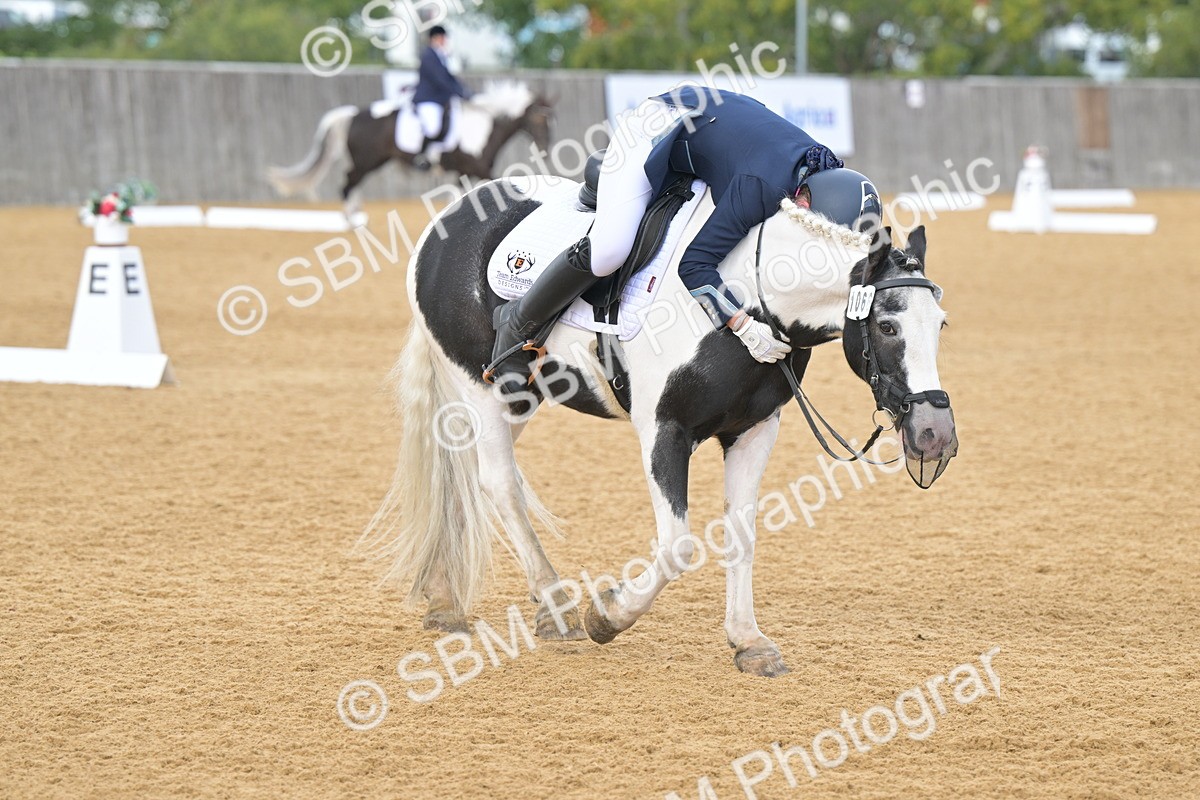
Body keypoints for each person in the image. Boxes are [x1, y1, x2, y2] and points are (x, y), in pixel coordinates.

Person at [487, 86, 883, 388]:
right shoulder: (759, 189)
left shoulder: (822, 168)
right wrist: (742, 324)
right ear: (805, 202)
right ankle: (516, 323)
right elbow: (694, 265)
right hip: (656, 125)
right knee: (610, 250)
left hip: (712, 118)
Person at [412, 25, 471, 170]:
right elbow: (440, 80)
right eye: (442, 38)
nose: (444, 41)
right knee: (433, 127)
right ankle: (421, 156)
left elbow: (449, 78)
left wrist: (464, 91)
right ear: (435, 38)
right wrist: (458, 92)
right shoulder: (428, 56)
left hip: (440, 99)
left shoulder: (441, 56)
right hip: (428, 99)